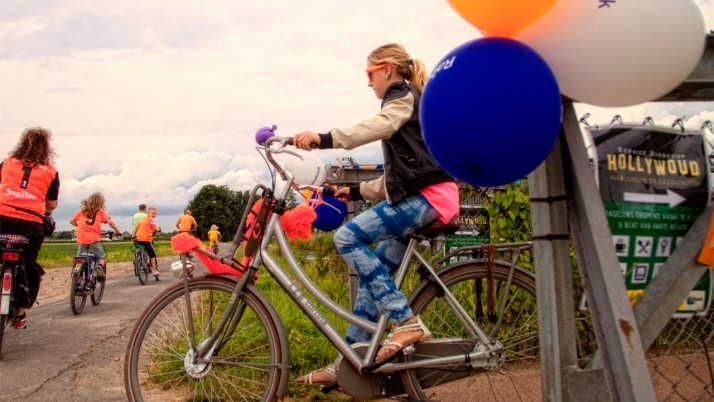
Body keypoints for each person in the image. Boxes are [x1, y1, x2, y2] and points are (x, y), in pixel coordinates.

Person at [294, 43, 459, 385]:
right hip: (423, 194)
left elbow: (380, 125)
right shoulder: (408, 105)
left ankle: (406, 321)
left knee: (347, 236)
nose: (368, 81)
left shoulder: (401, 95)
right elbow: (395, 180)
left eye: (370, 73)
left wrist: (324, 138)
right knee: (374, 277)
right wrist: (353, 191)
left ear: (387, 69)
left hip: (428, 198)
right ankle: (353, 361)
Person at [0, 127, 60, 329]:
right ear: (46, 148)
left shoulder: (7, 163)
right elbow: (51, 205)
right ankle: (19, 313)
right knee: (29, 263)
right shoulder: (51, 171)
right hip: (31, 223)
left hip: (2, 217)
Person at [69, 192, 121, 285]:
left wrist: (79, 226)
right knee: (101, 257)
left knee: (79, 258)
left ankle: (77, 278)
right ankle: (100, 267)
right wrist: (117, 231)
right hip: (94, 239)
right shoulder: (100, 213)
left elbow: (71, 221)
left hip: (82, 238)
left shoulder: (82, 212)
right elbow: (110, 222)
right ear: (101, 203)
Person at [134, 206, 160, 277]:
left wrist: (134, 235)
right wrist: (158, 230)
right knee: (152, 254)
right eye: (152, 213)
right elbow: (155, 229)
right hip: (146, 239)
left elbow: (137, 226)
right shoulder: (152, 220)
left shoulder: (143, 220)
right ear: (148, 213)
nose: (154, 215)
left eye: (155, 214)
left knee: (143, 249)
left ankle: (142, 261)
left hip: (139, 238)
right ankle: (154, 270)